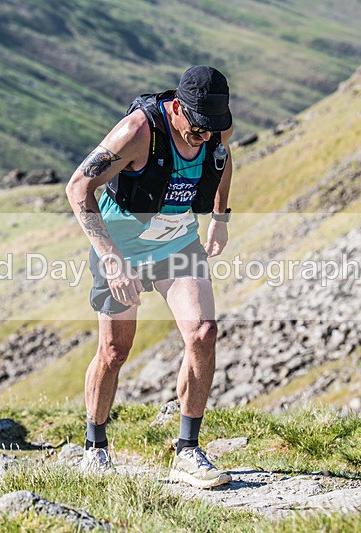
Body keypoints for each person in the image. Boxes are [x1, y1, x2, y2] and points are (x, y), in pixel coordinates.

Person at [66, 66, 235, 489]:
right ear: (178, 108)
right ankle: (95, 446)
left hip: (177, 246)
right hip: (121, 251)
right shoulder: (137, 132)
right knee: (114, 351)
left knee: (204, 332)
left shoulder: (213, 127)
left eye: (210, 130)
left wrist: (219, 216)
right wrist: (110, 259)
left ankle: (187, 450)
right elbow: (77, 188)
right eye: (196, 131)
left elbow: (222, 159)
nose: (204, 138)